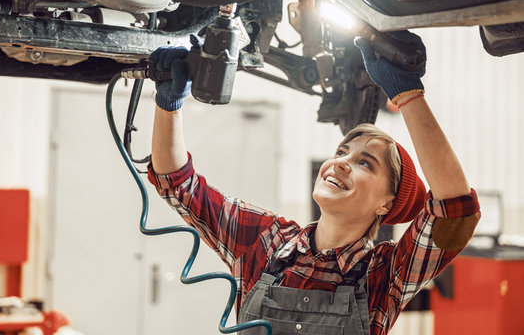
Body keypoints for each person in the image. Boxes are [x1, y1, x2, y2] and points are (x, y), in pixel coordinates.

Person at [147, 31, 481, 335]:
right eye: (342, 151)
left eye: (365, 163)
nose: (341, 163)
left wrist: (408, 96)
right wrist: (168, 105)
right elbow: (178, 185)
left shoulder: (384, 273)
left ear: (386, 204)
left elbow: (454, 210)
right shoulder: (267, 241)